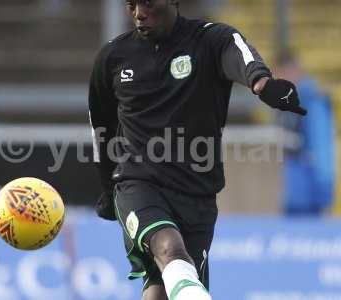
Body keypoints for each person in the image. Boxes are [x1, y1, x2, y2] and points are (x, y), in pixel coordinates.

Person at [88, 1, 306, 299]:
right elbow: (101, 130)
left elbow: (237, 52)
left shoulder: (209, 40)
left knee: (161, 289)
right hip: (138, 184)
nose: (139, 12)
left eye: (148, 2)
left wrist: (262, 83)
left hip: (197, 194)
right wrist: (107, 189)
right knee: (169, 248)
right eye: (131, 4)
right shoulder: (113, 57)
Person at [274, 50, 335, 215]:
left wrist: (324, 188)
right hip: (292, 191)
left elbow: (321, 145)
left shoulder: (312, 101)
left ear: (293, 71)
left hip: (308, 193)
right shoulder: (285, 102)